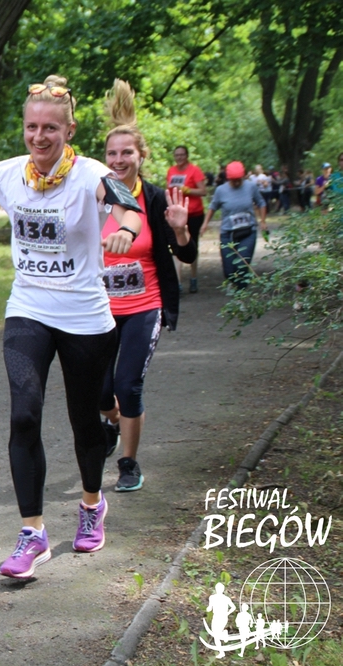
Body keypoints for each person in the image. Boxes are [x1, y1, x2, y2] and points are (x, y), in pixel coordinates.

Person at [0, 75, 144, 579]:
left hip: (84, 317)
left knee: (84, 422)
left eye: (50, 128)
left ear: (69, 130)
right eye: (32, 127)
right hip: (28, 309)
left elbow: (127, 202)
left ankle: (91, 504)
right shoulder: (9, 173)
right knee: (23, 416)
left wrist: (124, 228)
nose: (39, 136)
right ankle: (32, 533)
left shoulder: (92, 174)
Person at [99, 80, 196, 492]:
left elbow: (186, 256)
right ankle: (112, 423)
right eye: (112, 153)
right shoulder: (95, 196)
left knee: (127, 384)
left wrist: (182, 230)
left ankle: (128, 463)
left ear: (142, 156)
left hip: (144, 306)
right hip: (98, 310)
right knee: (100, 391)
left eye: (127, 153)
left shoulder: (156, 200)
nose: (119, 160)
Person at [201, 160, 267, 290]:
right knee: (229, 270)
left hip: (248, 231)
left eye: (239, 180)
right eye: (233, 180)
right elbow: (212, 207)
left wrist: (263, 221)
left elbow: (261, 203)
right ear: (228, 178)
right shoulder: (221, 190)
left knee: (242, 265)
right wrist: (205, 224)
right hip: (228, 234)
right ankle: (236, 285)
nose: (236, 183)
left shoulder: (251, 187)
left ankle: (241, 293)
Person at [166, 146, 207, 293]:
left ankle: (193, 278)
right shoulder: (171, 171)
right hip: (177, 214)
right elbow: (168, 190)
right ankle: (178, 282)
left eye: (182, 155)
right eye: (177, 155)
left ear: (187, 156)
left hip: (194, 213)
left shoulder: (194, 170)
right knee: (176, 245)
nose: (179, 157)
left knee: (191, 244)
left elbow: (203, 191)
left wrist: (188, 190)